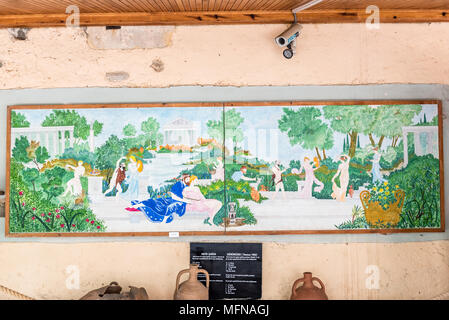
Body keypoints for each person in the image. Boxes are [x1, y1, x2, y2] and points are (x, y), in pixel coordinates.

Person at [125, 174, 190, 223]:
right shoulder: (178, 184)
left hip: (177, 200)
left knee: (166, 204)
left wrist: (185, 200)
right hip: (172, 199)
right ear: (183, 179)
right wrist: (183, 200)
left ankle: (140, 205)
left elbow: (183, 194)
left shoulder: (185, 185)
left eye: (188, 180)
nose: (188, 181)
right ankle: (139, 205)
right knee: (157, 203)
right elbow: (174, 195)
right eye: (187, 179)